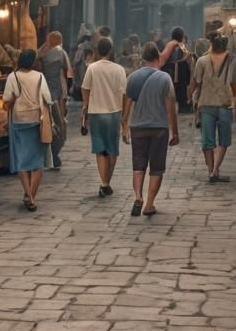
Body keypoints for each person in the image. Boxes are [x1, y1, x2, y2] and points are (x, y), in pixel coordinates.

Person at [122, 42, 179, 217]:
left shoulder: (132, 77)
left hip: (137, 126)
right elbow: (170, 106)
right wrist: (174, 131)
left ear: (143, 59)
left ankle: (138, 196)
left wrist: (124, 126)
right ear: (157, 58)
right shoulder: (164, 78)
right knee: (156, 167)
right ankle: (149, 204)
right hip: (159, 127)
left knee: (138, 166)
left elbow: (127, 104)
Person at [3, 48, 52, 211]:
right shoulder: (39, 77)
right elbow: (48, 98)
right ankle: (31, 196)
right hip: (37, 121)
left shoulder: (13, 76)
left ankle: (28, 195)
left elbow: (6, 100)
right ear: (33, 62)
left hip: (18, 121)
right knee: (37, 162)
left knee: (21, 160)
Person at [80, 37, 127, 197]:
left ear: (97, 51)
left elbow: (85, 88)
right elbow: (124, 92)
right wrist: (124, 117)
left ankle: (103, 182)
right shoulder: (119, 69)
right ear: (111, 50)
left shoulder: (92, 68)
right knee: (112, 150)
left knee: (100, 150)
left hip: (96, 113)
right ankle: (107, 182)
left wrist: (86, 105)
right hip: (114, 112)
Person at [191, 34, 236, 183]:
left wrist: (193, 99)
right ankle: (216, 169)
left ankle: (210, 171)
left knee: (207, 140)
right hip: (225, 103)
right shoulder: (233, 61)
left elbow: (197, 82)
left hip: (206, 103)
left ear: (211, 44)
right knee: (223, 140)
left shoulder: (202, 61)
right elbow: (235, 83)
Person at [37, 31, 72, 169]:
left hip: (42, 92)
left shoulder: (41, 52)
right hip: (55, 93)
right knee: (59, 125)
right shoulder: (61, 53)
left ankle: (48, 155)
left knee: (46, 125)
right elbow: (68, 72)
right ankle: (54, 155)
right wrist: (67, 92)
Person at [159, 26, 193, 113]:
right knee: (179, 89)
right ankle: (182, 107)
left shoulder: (174, 43)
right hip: (175, 70)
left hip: (176, 70)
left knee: (178, 89)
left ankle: (181, 106)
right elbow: (168, 58)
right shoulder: (175, 44)